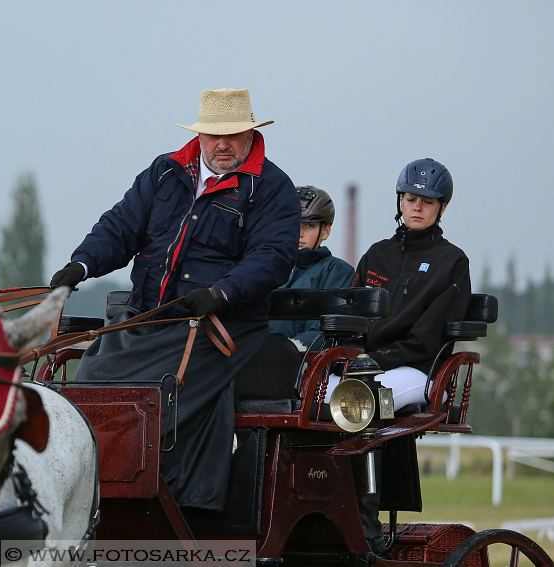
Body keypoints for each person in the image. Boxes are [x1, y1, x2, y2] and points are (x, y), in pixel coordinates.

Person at [50, 88, 300, 511]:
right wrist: (82, 266)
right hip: (147, 317)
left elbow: (273, 257)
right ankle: (103, 495)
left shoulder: (272, 188)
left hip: (221, 326)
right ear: (199, 135)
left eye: (233, 135)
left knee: (157, 396)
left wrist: (223, 292)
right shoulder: (165, 172)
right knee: (91, 375)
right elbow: (121, 226)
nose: (223, 145)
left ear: (250, 134)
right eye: (213, 135)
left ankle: (160, 501)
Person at [327, 158, 471, 555]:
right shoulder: (377, 255)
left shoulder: (452, 262)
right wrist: (350, 357)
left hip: (417, 372)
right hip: (363, 366)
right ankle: (323, 512)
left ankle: (366, 533)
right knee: (313, 399)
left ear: (442, 206)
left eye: (427, 200)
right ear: (400, 201)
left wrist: (376, 360)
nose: (417, 207)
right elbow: (353, 317)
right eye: (410, 198)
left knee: (360, 404)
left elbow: (430, 337)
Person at [268, 186, 355, 350]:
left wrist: (291, 348)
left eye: (309, 226)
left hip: (305, 362)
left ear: (325, 231)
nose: (299, 233)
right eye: (294, 223)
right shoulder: (265, 267)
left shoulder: (338, 271)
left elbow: (327, 332)